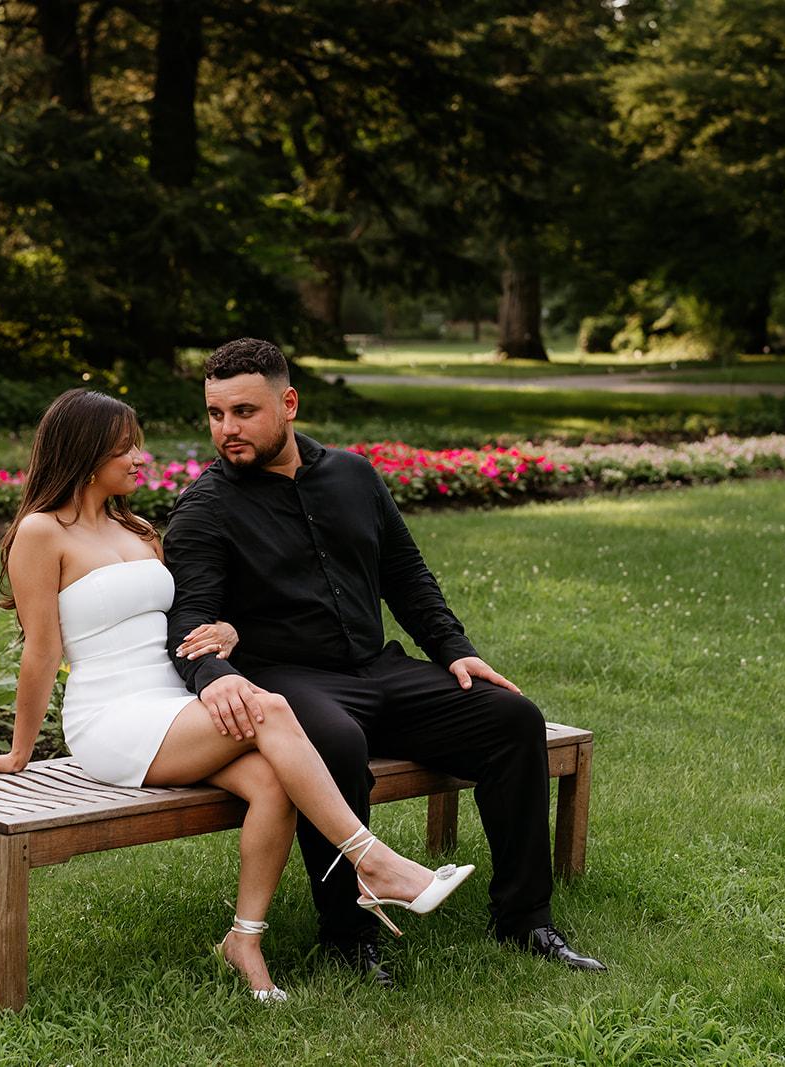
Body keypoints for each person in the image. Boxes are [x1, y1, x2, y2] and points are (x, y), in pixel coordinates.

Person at [0, 387, 475, 1003]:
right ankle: (372, 863)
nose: (141, 456)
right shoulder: (41, 534)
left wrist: (228, 632)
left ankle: (244, 939)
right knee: (273, 707)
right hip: (112, 718)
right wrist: (21, 752)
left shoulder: (139, 529)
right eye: (127, 445)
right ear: (85, 451)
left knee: (270, 780)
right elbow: (42, 651)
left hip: (173, 702)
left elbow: (182, 621)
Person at [162, 338, 605, 984]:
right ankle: (349, 939)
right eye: (214, 414)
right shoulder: (206, 507)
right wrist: (216, 678)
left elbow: (406, 575)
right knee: (337, 742)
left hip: (377, 668)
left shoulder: (353, 475)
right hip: (290, 681)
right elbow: (191, 622)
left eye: (243, 411)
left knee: (511, 718)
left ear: (288, 403)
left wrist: (456, 651)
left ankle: (525, 919)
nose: (226, 429)